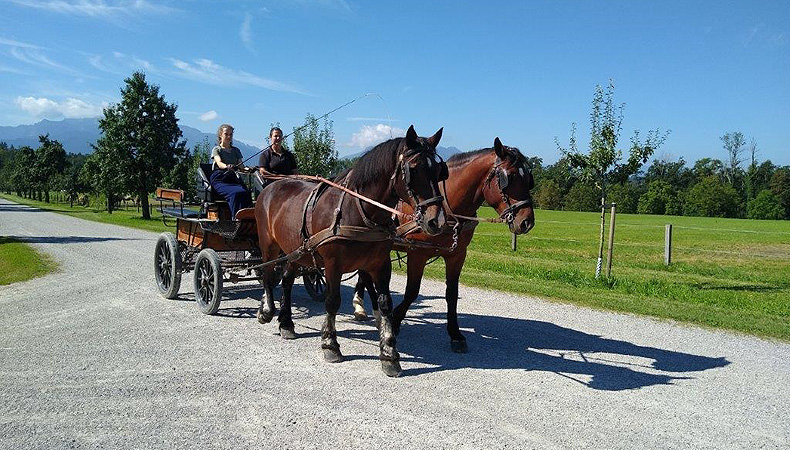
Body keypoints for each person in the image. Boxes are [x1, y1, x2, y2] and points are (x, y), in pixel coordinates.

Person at [210, 123, 252, 218]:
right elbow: (219, 163)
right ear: (220, 135)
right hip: (220, 178)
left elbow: (241, 166)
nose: (229, 136)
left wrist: (249, 169)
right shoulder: (217, 149)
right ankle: (236, 219)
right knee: (235, 193)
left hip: (232, 178)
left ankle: (248, 219)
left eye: (231, 134)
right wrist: (227, 166)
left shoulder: (236, 150)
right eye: (226, 134)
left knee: (247, 194)